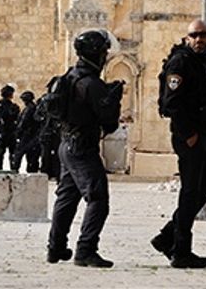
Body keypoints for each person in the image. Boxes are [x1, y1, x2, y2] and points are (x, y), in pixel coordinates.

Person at [47, 29, 123, 268]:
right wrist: (114, 99)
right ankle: (86, 250)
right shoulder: (91, 83)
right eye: (103, 52)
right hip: (82, 148)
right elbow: (109, 123)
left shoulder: (70, 76)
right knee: (98, 198)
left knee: (67, 198)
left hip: (66, 144)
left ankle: (55, 248)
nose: (104, 57)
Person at [150, 19, 206, 269]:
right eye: (195, 35)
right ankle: (181, 250)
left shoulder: (204, 62)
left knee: (203, 191)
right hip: (189, 135)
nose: (199, 39)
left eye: (204, 35)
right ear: (187, 37)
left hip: (204, 132)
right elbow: (172, 103)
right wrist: (188, 133)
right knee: (191, 191)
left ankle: (166, 237)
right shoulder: (180, 62)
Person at [37, 83, 62, 181]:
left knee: (56, 155)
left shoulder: (60, 101)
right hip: (47, 132)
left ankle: (55, 174)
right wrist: (44, 119)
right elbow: (37, 115)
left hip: (55, 132)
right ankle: (47, 173)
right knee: (46, 155)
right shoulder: (44, 100)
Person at [14, 91, 41, 172]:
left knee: (19, 154)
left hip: (27, 135)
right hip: (32, 136)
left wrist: (18, 133)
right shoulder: (33, 108)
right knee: (31, 157)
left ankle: (15, 169)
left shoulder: (29, 109)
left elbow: (23, 123)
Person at [0, 85, 20, 171]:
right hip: (10, 132)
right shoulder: (14, 107)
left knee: (0, 153)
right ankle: (13, 169)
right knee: (12, 153)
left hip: (2, 132)